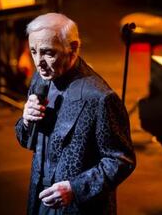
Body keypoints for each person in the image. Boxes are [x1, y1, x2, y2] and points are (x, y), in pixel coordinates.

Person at [14, 13, 136, 215]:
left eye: (48, 53)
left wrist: (75, 188)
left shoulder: (100, 98)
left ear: (73, 48)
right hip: (41, 199)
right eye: (34, 51)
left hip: (80, 207)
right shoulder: (40, 79)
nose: (39, 62)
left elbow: (121, 160)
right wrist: (26, 122)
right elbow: (28, 142)